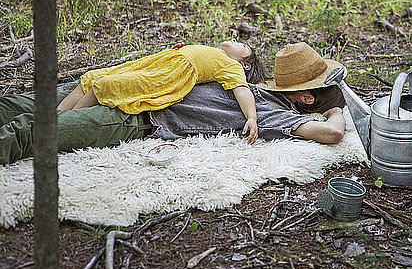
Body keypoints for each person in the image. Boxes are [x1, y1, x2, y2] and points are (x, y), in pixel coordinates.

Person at [0, 42, 347, 165]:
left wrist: (336, 111)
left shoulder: (273, 113)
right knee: (21, 103)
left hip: (136, 115)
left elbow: (331, 134)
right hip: (128, 84)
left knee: (32, 130)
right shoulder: (247, 81)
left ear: (305, 98)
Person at [57, 40, 266, 144]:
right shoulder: (215, 52)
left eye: (240, 44)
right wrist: (179, 50)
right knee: (94, 78)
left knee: (107, 85)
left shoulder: (232, 66)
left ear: (245, 64)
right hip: (161, 63)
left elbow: (242, 90)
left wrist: (252, 116)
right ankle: (57, 115)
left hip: (171, 75)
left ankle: (65, 123)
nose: (234, 39)